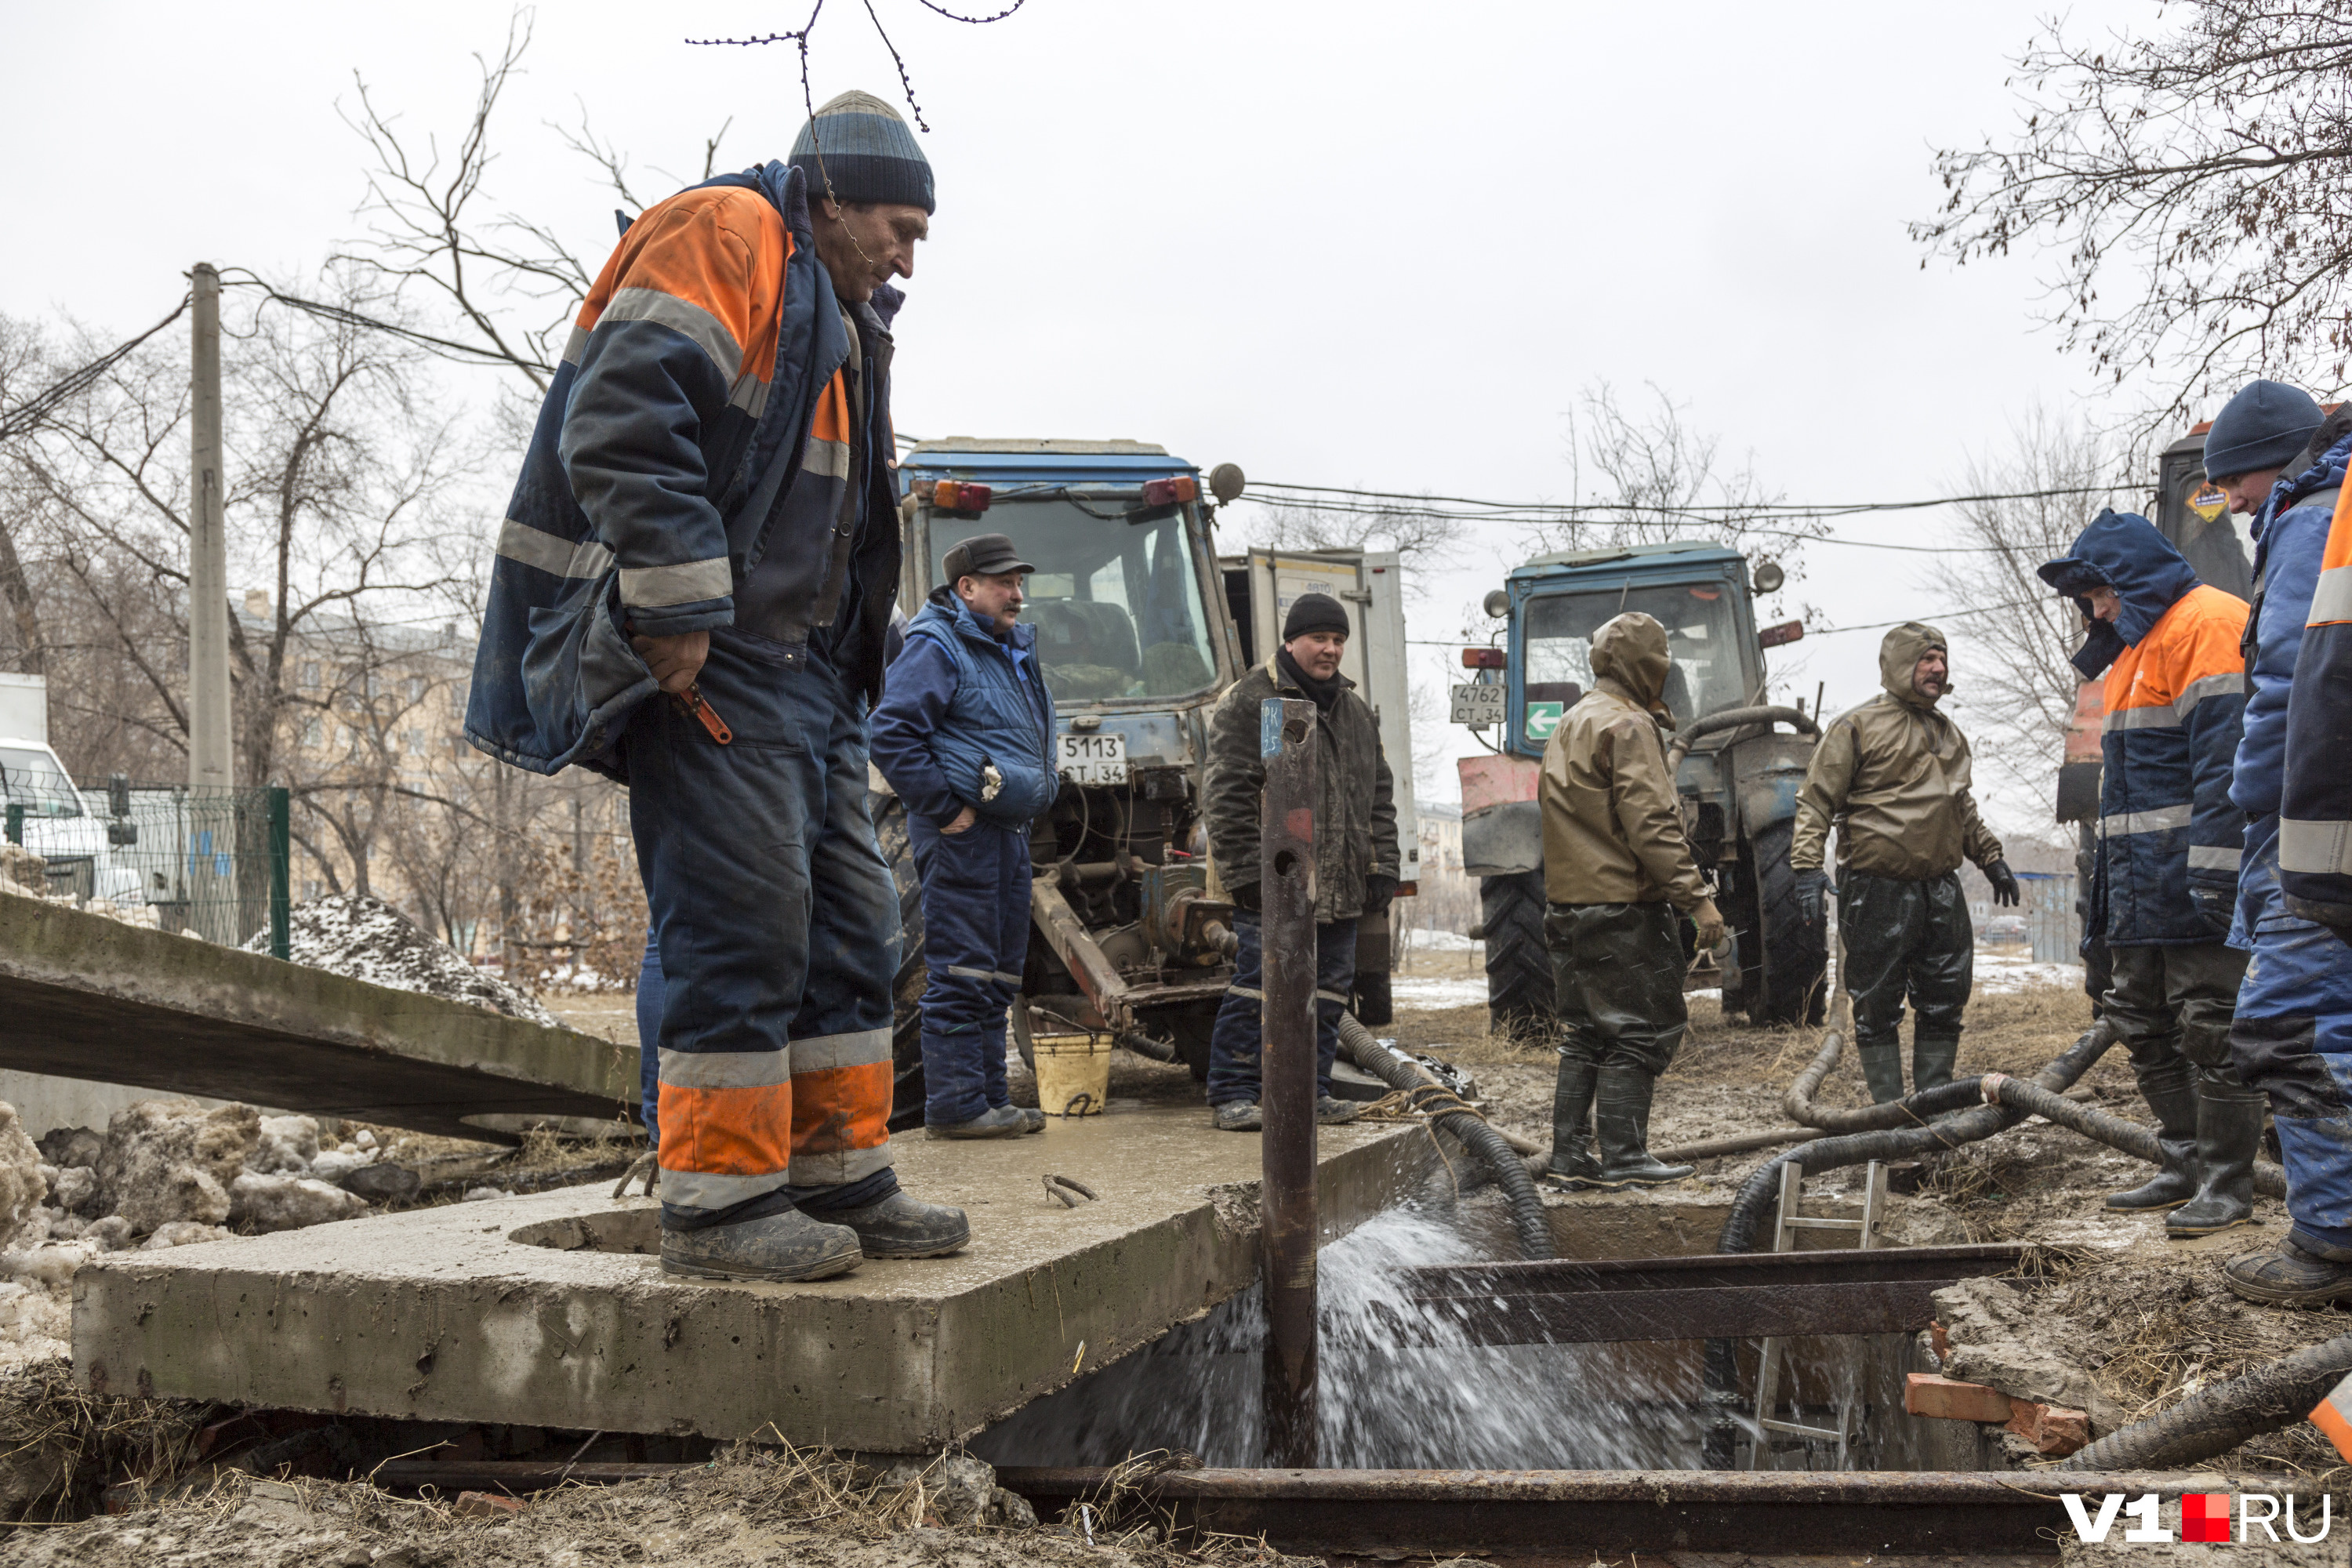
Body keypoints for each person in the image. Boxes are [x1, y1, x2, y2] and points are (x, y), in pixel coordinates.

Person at [466, 90, 967, 1283]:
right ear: (833, 194)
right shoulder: (725, 233)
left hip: (810, 678)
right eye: (901, 228)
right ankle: (720, 1204)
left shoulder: (835, 312)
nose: (908, 258)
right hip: (726, 658)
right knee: (740, 928)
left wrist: (862, 658)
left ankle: (838, 1171)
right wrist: (678, 606)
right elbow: (627, 420)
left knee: (854, 928)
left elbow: (827, 515)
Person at [2039, 510, 2252, 1236]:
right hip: (2137, 881)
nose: (2096, 610)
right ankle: (2185, 1160)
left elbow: (2229, 767)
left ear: (2134, 577)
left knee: (2212, 1027)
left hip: (2195, 876)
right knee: (2141, 1019)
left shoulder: (2210, 623)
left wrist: (2221, 876)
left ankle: (2229, 1183)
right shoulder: (2134, 649)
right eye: (2089, 599)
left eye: (2101, 594)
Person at [2209, 399, 2352, 1301]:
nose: (2233, 505)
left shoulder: (2308, 521)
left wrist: (2252, 795)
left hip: (2317, 817)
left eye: (2234, 484)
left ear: (2278, 465)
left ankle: (2331, 1243)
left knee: (2291, 1020)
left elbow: (2289, 686)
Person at [869, 534, 1058, 1138]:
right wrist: (942, 807)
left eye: (1019, 582)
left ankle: (990, 1101)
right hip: (962, 832)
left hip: (1004, 830)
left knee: (999, 972)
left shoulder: (1003, 647)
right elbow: (891, 732)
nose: (1017, 594)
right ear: (966, 588)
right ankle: (954, 1105)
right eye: (1004, 583)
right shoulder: (937, 644)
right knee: (960, 969)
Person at [1537, 612, 1725, 1188]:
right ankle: (1624, 1156)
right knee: (1639, 1030)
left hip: (1569, 905)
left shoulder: (1570, 722)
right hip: (1622, 909)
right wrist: (1699, 900)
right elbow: (1653, 827)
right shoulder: (1628, 726)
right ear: (1650, 665)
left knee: (1586, 1033)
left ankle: (1568, 1155)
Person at [1791, 623, 2016, 1104]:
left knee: (1946, 994)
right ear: (1898, 665)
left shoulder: (1947, 733)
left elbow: (1960, 807)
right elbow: (1816, 801)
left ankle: (1933, 1103)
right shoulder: (1856, 727)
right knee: (1876, 1000)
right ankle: (1892, 1112)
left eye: (1942, 658)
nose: (1938, 668)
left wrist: (1991, 857)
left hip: (1939, 886)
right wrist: (1807, 866)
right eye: (1926, 659)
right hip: (1877, 887)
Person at [1202, 593, 1399, 1131]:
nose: (1331, 649)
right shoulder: (1252, 702)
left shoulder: (1354, 712)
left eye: (1338, 640)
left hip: (1339, 880)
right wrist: (1246, 875)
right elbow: (1227, 794)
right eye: (1320, 639)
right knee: (1261, 986)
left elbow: (1376, 795)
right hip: (1275, 879)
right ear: (1291, 641)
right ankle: (1234, 1093)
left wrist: (1383, 864)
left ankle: (1309, 1091)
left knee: (1330, 990)